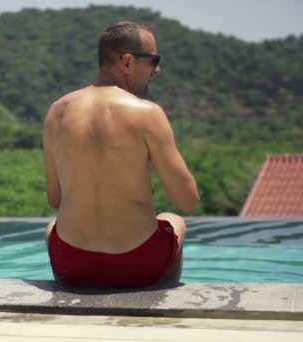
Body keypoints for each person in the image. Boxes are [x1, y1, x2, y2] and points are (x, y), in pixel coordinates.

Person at [42, 22, 200, 288]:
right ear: (127, 62)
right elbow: (187, 200)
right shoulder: (147, 114)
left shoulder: (57, 112)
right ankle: (161, 297)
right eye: (153, 61)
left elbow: (55, 199)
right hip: (138, 266)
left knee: (51, 227)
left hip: (72, 265)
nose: (157, 69)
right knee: (174, 220)